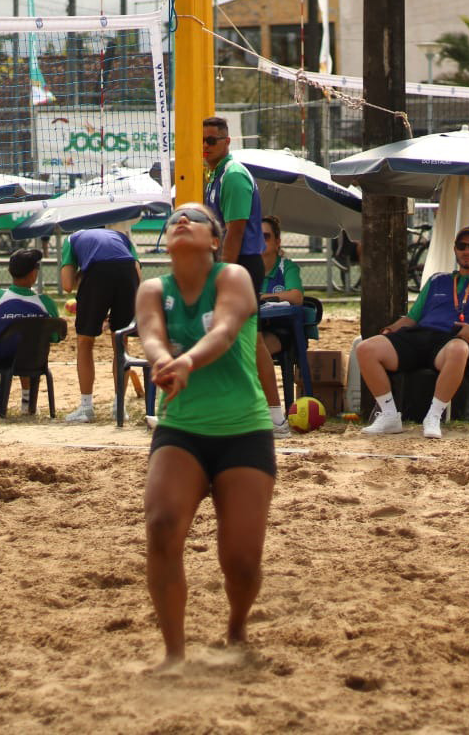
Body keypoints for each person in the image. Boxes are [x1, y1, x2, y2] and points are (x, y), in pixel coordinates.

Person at [135, 203, 276, 672]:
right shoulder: (153, 288)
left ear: (214, 240)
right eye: (176, 217)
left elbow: (225, 329)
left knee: (240, 561)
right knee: (160, 526)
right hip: (182, 428)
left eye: (195, 218)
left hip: (243, 430)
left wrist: (188, 361)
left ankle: (236, 627)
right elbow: (151, 336)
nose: (182, 220)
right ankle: (174, 653)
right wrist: (161, 361)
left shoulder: (232, 277)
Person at [357, 225, 469, 440]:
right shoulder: (437, 279)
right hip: (419, 335)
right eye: (462, 246)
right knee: (366, 348)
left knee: (459, 349)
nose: (467, 251)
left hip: (452, 338)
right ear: (454, 249)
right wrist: (391, 329)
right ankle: (389, 415)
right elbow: (411, 318)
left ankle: (433, 416)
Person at [202, 116, 288, 436]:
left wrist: (221, 277)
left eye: (211, 140)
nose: (205, 146)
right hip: (233, 264)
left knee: (245, 342)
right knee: (237, 341)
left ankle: (273, 417)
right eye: (202, 140)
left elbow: (235, 233)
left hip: (240, 265)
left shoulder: (234, 176)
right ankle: (257, 415)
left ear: (227, 142)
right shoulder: (216, 176)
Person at [58, 226, 142, 423]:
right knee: (120, 342)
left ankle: (86, 408)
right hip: (127, 273)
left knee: (85, 342)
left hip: (96, 272)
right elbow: (137, 275)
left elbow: (67, 284)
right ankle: (119, 407)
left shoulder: (72, 238)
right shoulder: (122, 236)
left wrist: (85, 277)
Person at [0, 248, 63, 415]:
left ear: (10, 271)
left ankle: (3, 401)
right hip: (35, 360)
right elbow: (56, 336)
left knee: (9, 345)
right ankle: (27, 403)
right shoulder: (45, 302)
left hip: (1, 358)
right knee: (28, 344)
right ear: (33, 274)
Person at [257, 215, 304, 359]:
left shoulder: (287, 267)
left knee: (254, 350)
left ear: (277, 242)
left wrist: (261, 297)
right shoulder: (245, 268)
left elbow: (296, 297)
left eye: (265, 236)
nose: (259, 240)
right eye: (255, 236)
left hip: (281, 330)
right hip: (252, 327)